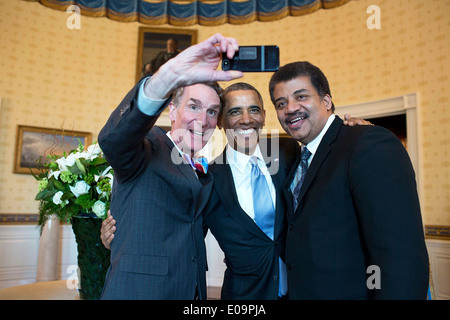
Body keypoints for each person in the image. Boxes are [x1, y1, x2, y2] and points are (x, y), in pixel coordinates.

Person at [100, 81, 369, 299]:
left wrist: (349, 133)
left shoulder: (286, 151)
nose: (245, 119)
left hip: (304, 288)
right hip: (243, 297)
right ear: (222, 123)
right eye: (234, 111)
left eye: (254, 110)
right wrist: (118, 232)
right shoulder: (209, 178)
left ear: (264, 116)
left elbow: (325, 162)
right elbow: (183, 228)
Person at [97, 33, 243, 300]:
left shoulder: (207, 172)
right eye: (193, 106)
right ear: (172, 111)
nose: (203, 119)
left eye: (212, 111)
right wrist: (167, 77)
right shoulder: (147, 147)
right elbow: (113, 140)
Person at [269, 61, 429, 299]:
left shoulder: (367, 142)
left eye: (301, 96)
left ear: (326, 101)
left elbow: (400, 256)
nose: (290, 108)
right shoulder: (295, 155)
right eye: (281, 103)